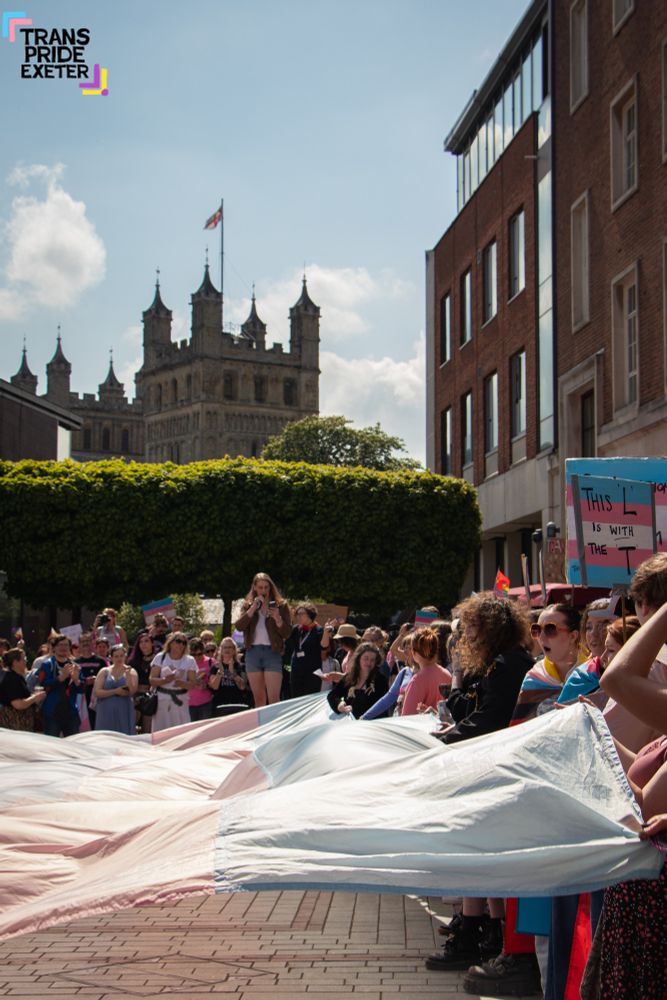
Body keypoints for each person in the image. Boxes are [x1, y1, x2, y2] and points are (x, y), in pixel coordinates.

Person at [427, 594, 533, 977]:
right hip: (483, 764)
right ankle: (484, 930)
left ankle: (485, 932)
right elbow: (463, 708)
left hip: (497, 767)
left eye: (472, 625)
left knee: (483, 850)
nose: (466, 633)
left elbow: (490, 718)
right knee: (477, 848)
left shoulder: (508, 664)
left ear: (490, 628)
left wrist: (440, 744)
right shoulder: (492, 664)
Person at [581, 598, 667, 1000]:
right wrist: (594, 731)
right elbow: (640, 770)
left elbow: (646, 805)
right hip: (639, 900)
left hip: (654, 909)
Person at [235, 573, 291, 707]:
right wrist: (253, 608)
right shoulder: (247, 605)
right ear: (254, 587)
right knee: (259, 699)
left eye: (266, 587)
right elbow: (239, 626)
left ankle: (276, 727)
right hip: (253, 652)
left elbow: (287, 633)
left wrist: (278, 618)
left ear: (271, 587)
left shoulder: (281, 605)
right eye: (260, 587)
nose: (264, 591)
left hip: (272, 652)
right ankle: (263, 727)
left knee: (274, 699)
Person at [36, 634, 84, 737]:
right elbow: (42, 685)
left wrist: (76, 680)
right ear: (53, 648)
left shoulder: (75, 666)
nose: (63, 648)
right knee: (51, 744)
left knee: (73, 744)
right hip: (52, 711)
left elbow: (81, 690)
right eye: (60, 645)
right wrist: (60, 678)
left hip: (70, 712)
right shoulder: (47, 665)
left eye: (66, 645)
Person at [149, 631, 197, 732]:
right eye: (178, 641)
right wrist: (165, 680)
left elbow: (193, 683)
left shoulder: (189, 660)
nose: (181, 645)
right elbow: (152, 680)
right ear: (170, 642)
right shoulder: (160, 657)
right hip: (162, 700)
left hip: (180, 700)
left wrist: (182, 683)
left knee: (181, 730)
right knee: (162, 730)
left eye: (184, 643)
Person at [327, 642, 389, 718]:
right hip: (350, 725)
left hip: (371, 726)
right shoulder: (350, 677)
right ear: (359, 658)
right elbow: (332, 695)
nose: (369, 662)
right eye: (366, 658)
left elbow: (383, 707)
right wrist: (339, 704)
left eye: (372, 660)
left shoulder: (380, 681)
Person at [400, 626, 451, 715]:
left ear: (414, 652)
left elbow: (407, 717)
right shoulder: (447, 674)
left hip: (426, 728)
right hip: (445, 727)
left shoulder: (418, 680)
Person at [93, 644, 138, 735]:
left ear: (125, 656)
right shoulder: (104, 671)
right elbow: (97, 692)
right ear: (111, 658)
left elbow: (132, 691)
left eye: (121, 656)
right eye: (116, 656)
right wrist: (115, 691)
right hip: (105, 710)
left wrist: (128, 676)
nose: (119, 658)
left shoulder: (131, 671)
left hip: (124, 709)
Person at [0, 648, 46, 731]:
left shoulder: (16, 677)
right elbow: (18, 704)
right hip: (15, 725)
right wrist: (35, 697)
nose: (26, 661)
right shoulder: (12, 679)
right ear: (15, 662)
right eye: (24, 659)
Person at [288, 603, 326, 698]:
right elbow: (285, 638)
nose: (299, 616)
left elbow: (324, 647)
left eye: (301, 614)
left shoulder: (319, 630)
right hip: (296, 671)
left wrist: (326, 633)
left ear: (310, 614)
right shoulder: (296, 629)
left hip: (312, 672)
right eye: (297, 614)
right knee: (295, 700)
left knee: (310, 700)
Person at [75, 632, 108, 730]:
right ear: (79, 644)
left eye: (88, 641)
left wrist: (97, 681)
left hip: (97, 700)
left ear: (93, 643)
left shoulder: (101, 661)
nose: (85, 643)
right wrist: (85, 681)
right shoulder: (75, 662)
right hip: (80, 699)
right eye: (83, 641)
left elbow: (107, 679)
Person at [127, 632, 158, 733]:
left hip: (151, 697)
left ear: (152, 643)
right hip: (135, 696)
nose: (143, 644)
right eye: (141, 642)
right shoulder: (133, 661)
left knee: (148, 728)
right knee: (132, 726)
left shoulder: (158, 659)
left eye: (146, 641)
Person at [209, 638, 249, 713]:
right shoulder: (215, 667)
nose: (227, 649)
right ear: (221, 650)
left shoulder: (241, 666)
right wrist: (220, 673)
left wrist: (233, 673)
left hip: (237, 704)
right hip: (219, 705)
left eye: (230, 647)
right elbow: (214, 687)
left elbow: (243, 687)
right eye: (225, 647)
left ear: (234, 650)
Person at [187, 638, 215, 721]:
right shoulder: (186, 662)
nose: (196, 658)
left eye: (199, 654)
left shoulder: (211, 662)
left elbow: (216, 683)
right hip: (188, 703)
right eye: (193, 655)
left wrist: (206, 685)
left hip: (206, 703)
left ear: (203, 651)